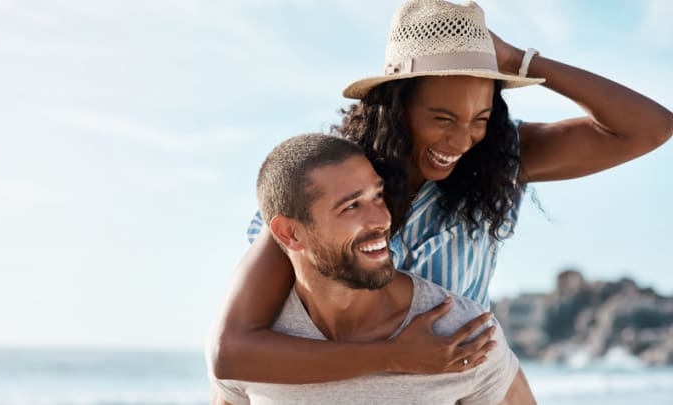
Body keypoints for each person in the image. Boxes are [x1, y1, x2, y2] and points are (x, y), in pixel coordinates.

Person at [209, 0, 673, 383]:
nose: (460, 142)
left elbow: (649, 129)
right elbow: (232, 351)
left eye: (480, 118)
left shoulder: (496, 161)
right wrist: (395, 355)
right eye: (442, 118)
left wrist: (520, 63)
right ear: (397, 104)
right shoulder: (330, 185)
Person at [208, 133, 536, 404]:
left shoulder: (459, 337)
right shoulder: (257, 350)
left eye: (377, 196)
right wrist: (392, 356)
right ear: (290, 233)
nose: (381, 220)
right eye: (351, 206)